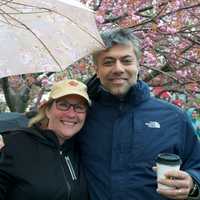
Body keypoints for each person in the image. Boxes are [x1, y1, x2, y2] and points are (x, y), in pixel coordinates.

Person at [79, 28, 200, 200]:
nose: (118, 69)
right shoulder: (81, 116)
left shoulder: (174, 117)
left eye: (126, 61)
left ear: (138, 65)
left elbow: (196, 164)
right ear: (96, 70)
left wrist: (193, 184)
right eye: (108, 62)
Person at [0, 79, 90, 200]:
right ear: (47, 110)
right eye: (63, 105)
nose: (71, 114)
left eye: (79, 107)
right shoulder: (13, 144)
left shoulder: (82, 149)